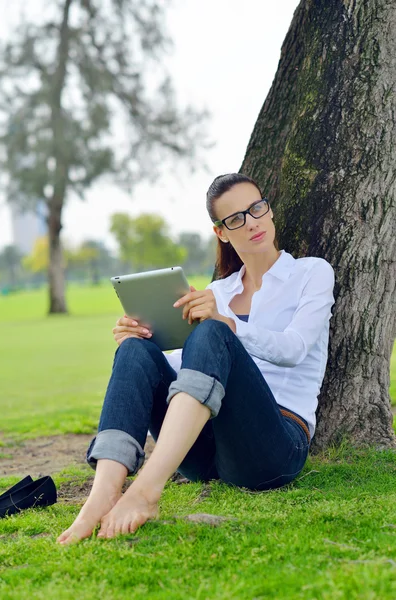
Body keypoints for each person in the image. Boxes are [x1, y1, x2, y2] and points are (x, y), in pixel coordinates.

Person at [57, 173, 335, 545]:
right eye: (235, 218)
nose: (250, 222)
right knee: (136, 350)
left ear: (268, 210)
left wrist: (227, 324)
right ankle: (103, 493)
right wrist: (141, 338)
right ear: (221, 232)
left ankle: (145, 492)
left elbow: (295, 348)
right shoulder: (217, 292)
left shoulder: (311, 272)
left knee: (213, 332)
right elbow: (186, 372)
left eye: (256, 208)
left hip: (275, 445)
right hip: (206, 455)